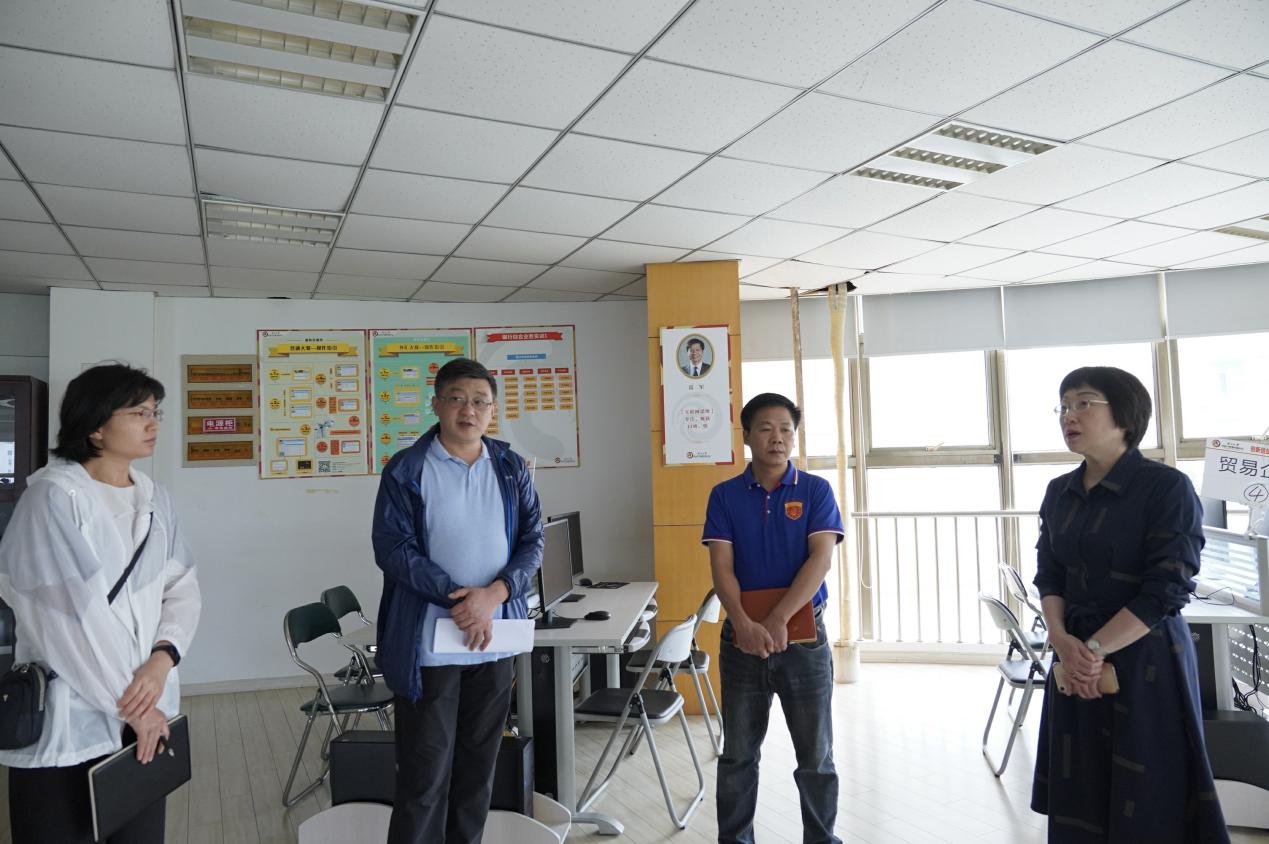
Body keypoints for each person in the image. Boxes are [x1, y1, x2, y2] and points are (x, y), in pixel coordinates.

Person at [0, 363, 201, 843]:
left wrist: (163, 659)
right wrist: (135, 706)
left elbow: (182, 585)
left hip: (146, 713)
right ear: (94, 426)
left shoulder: (155, 499)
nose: (152, 423)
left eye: (154, 412)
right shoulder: (52, 498)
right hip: (72, 721)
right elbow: (67, 622)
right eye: (138, 413)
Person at [1031, 366, 1228, 843]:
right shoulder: (1060, 491)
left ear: (1125, 414)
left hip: (1145, 657)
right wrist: (1062, 640)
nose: (1068, 416)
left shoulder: (1166, 487)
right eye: (1063, 406)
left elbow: (1168, 585)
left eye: (1083, 403)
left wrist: (1094, 650)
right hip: (1073, 654)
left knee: (1149, 788)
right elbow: (1050, 574)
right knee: (1080, 784)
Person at [372, 357, 543, 844]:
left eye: (480, 402)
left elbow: (533, 541)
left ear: (492, 410)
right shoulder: (407, 469)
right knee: (425, 777)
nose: (469, 410)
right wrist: (462, 600)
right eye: (457, 399)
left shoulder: (509, 467)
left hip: (493, 640)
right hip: (429, 645)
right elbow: (393, 549)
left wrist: (495, 594)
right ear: (437, 404)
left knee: (477, 774)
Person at [702, 392, 845, 844]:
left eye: (786, 429)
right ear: (746, 435)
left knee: (816, 758)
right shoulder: (724, 495)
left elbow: (820, 560)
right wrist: (743, 623)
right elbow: (721, 566)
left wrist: (781, 617)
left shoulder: (815, 491)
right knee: (738, 756)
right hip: (740, 639)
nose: (777, 438)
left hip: (804, 637)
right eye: (765, 428)